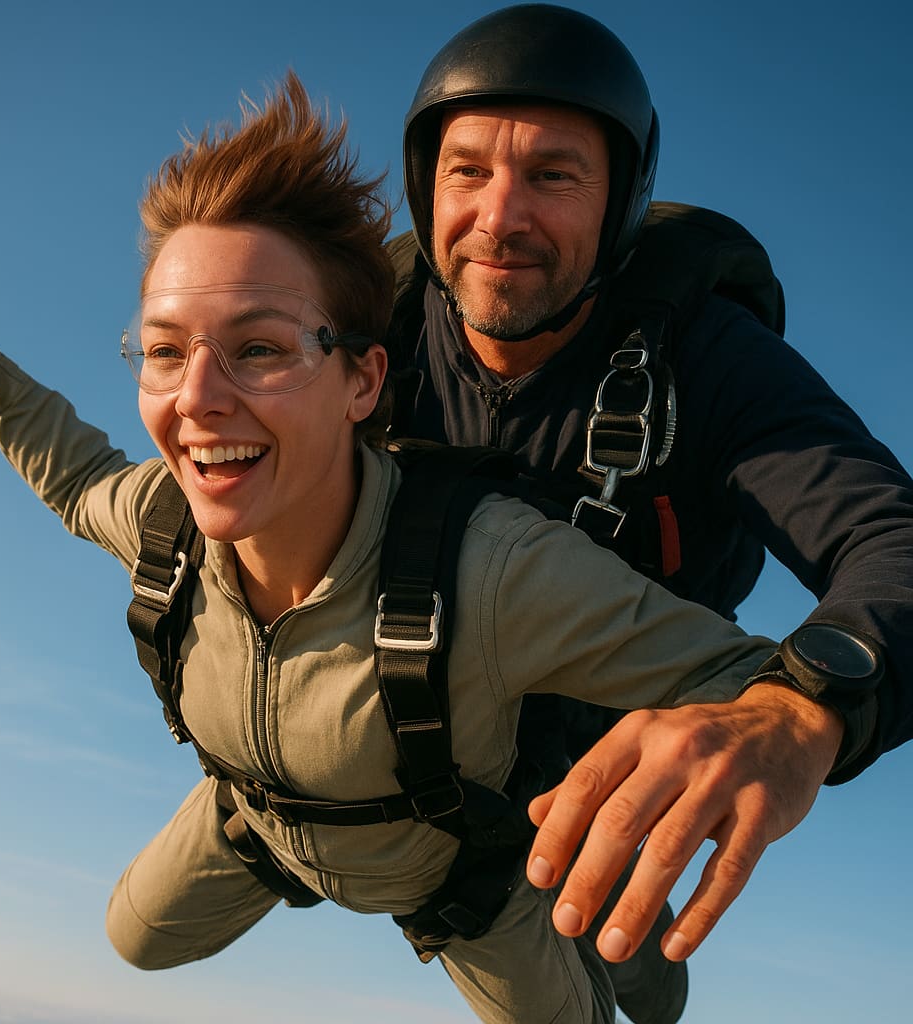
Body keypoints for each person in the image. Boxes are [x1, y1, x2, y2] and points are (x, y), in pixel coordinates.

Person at [0, 74, 791, 1024]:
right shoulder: (167, 522)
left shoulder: (494, 571)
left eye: (261, 349)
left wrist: (765, 725)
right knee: (134, 940)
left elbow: (756, 685)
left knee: (632, 994)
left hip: (464, 882)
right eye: (164, 350)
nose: (198, 398)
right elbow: (74, 475)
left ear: (364, 381)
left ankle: (612, 920)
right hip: (265, 819)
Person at [385, 4, 913, 1021]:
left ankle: (634, 939)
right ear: (424, 184)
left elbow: (891, 535)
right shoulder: (375, 313)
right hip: (431, 665)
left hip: (611, 717)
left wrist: (799, 709)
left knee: (618, 945)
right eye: (466, 171)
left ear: (621, 201)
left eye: (552, 174)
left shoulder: (701, 355)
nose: (499, 217)